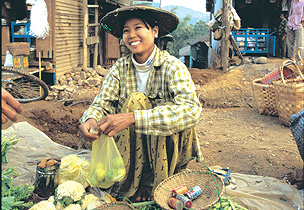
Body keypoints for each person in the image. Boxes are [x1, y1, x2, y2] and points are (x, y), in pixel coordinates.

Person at [79, 5, 202, 202]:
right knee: (134, 103)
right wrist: (91, 118)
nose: (131, 35)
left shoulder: (173, 66)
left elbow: (190, 110)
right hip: (132, 149)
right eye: (126, 31)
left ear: (154, 31)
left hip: (167, 148)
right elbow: (103, 103)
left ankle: (156, 184)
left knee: (138, 103)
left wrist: (134, 117)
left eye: (138, 28)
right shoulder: (120, 68)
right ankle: (132, 185)